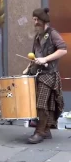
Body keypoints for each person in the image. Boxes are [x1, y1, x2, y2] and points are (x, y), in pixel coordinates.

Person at [23, 8, 66, 144]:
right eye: (34, 20)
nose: (35, 22)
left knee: (41, 103)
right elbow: (34, 56)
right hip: (38, 74)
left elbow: (63, 50)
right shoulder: (38, 36)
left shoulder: (52, 34)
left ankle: (40, 132)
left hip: (49, 75)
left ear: (43, 20)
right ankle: (46, 130)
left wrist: (46, 59)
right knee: (43, 104)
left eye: (36, 20)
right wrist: (27, 68)